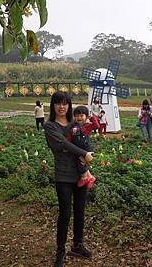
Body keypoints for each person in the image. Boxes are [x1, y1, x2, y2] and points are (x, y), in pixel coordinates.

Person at [44, 92, 93, 267]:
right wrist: (83, 153)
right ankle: (60, 251)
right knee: (65, 214)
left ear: (69, 106)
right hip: (63, 175)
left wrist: (82, 151)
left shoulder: (75, 123)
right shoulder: (50, 126)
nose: (62, 107)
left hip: (80, 174)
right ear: (53, 105)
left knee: (80, 212)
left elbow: (84, 140)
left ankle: (78, 245)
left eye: (65, 103)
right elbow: (62, 145)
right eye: (58, 103)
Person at [66, 106, 99, 189]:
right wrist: (66, 144)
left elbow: (96, 126)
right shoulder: (74, 127)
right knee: (79, 161)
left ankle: (84, 177)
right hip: (77, 148)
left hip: (86, 149)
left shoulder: (87, 126)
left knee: (81, 162)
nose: (79, 118)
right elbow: (70, 136)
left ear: (86, 116)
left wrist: (92, 118)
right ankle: (90, 177)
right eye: (77, 116)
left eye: (81, 116)